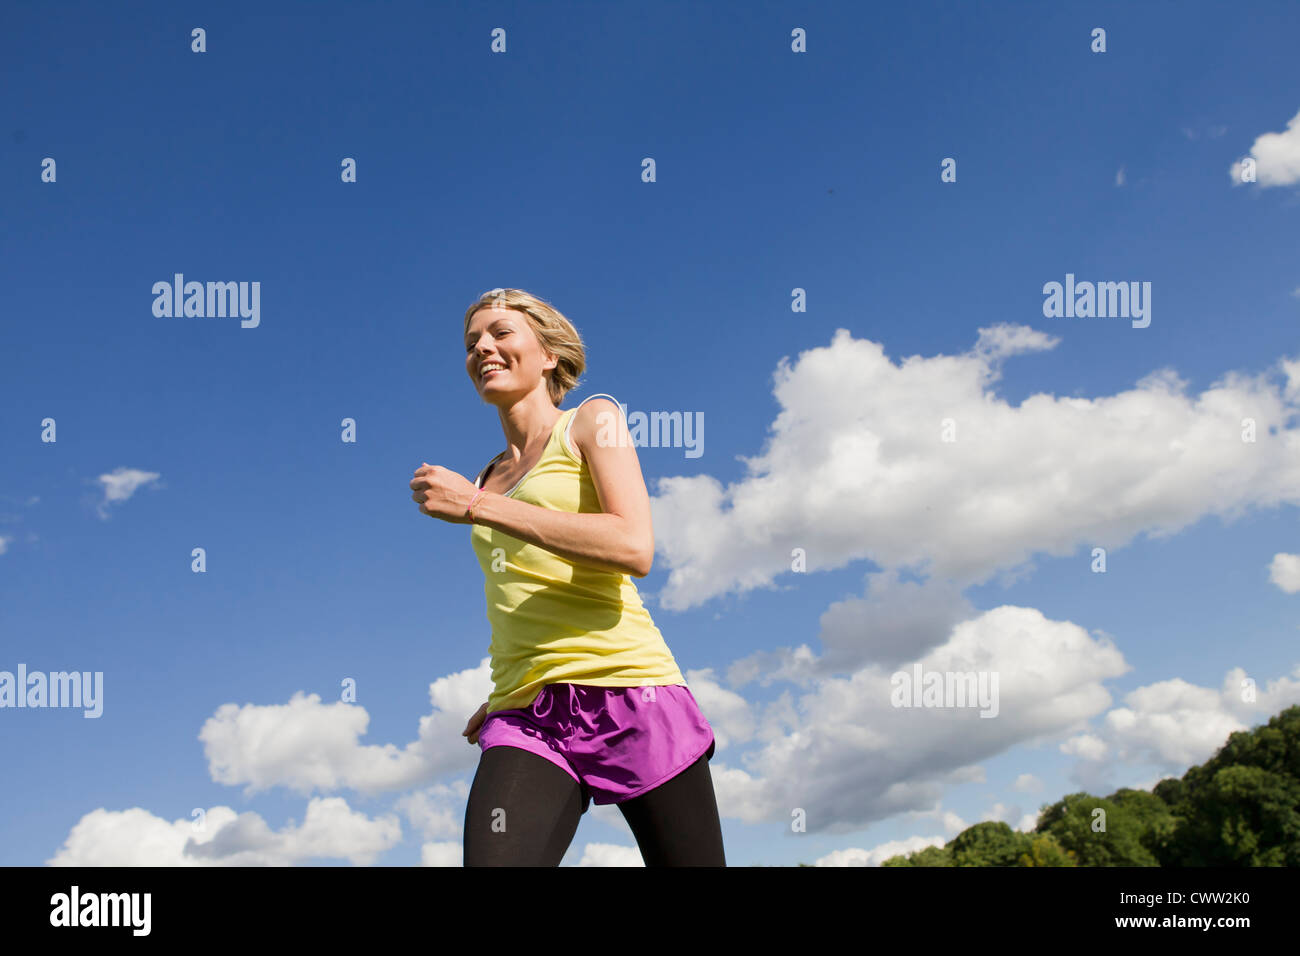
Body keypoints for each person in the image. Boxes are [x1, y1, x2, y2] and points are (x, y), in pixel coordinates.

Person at [409, 287, 726, 867]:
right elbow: (517, 592)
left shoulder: (590, 422)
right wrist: (515, 681)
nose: (482, 347)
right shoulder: (488, 475)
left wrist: (478, 507)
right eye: (472, 341)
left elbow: (633, 545)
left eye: (501, 333)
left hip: (629, 688)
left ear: (549, 354)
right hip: (526, 713)